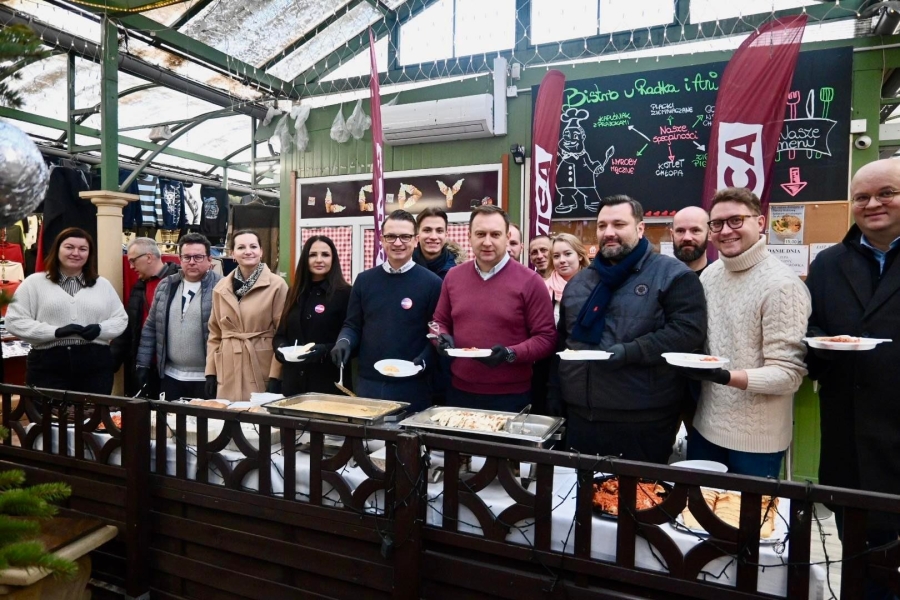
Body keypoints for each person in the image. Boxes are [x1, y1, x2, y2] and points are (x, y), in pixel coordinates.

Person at [806, 158, 900, 596]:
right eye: (861, 197)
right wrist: (821, 343)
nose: (872, 204)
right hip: (849, 444)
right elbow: (811, 326)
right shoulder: (829, 263)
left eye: (886, 193)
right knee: (860, 561)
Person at [553, 195, 706, 463]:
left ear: (640, 228)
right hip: (581, 417)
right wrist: (555, 401)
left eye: (619, 224)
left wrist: (631, 352)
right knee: (579, 488)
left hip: (643, 421)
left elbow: (687, 333)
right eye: (602, 226)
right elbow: (563, 346)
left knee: (637, 490)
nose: (609, 232)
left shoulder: (673, 275)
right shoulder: (579, 283)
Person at [682, 187, 810, 478]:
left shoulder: (782, 286)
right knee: (696, 507)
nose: (726, 230)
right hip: (705, 427)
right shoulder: (710, 275)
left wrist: (725, 376)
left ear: (760, 222)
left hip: (756, 443)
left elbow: (788, 375)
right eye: (717, 223)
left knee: (745, 510)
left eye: (736, 220)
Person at [432, 205, 556, 412]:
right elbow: (439, 322)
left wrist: (510, 353)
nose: (487, 242)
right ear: (469, 237)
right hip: (459, 391)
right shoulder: (453, 277)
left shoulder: (530, 281)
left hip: (511, 397)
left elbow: (546, 338)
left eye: (495, 234)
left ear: (507, 237)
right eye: (480, 234)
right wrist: (440, 338)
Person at [331, 210, 442, 410]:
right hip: (369, 383)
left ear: (415, 240)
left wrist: (423, 362)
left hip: (413, 385)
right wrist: (343, 341)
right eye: (391, 236)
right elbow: (352, 325)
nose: (398, 243)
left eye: (405, 236)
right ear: (381, 240)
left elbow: (435, 334)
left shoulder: (432, 283)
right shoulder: (364, 280)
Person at [6, 228, 128, 402]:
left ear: (89, 254)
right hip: (48, 365)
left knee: (91, 415)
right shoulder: (34, 283)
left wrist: (100, 329)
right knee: (47, 415)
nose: (76, 253)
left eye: (83, 249)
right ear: (57, 250)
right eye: (69, 247)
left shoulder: (102, 285)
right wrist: (54, 332)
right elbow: (14, 321)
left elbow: (120, 319)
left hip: (94, 366)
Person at [136, 233, 222, 400]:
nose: (192, 262)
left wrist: (215, 374)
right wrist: (143, 364)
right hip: (171, 377)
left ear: (209, 259)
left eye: (198, 257)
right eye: (187, 257)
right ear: (180, 259)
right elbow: (151, 328)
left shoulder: (222, 287)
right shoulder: (166, 285)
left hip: (207, 378)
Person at [205, 230, 288, 401]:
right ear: (232, 253)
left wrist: (276, 376)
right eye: (241, 247)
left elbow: (283, 333)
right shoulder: (221, 287)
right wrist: (211, 372)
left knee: (259, 415)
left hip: (261, 364)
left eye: (253, 246)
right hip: (228, 368)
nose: (248, 251)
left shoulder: (277, 285)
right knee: (227, 414)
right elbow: (215, 334)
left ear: (261, 251)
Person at [274, 235, 352, 396]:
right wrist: (281, 350)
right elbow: (280, 335)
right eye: (313, 255)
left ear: (333, 259)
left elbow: (352, 340)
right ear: (305, 259)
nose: (319, 260)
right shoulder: (294, 292)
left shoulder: (345, 293)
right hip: (294, 384)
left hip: (328, 384)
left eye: (325, 255)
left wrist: (323, 350)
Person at [112, 237, 180, 397]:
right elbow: (130, 328)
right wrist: (110, 363)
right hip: (145, 365)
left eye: (133, 261)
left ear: (149, 257)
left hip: (172, 369)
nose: (131, 266)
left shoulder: (179, 281)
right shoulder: (139, 287)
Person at [545, 233, 590, 324]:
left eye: (567, 254)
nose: (562, 260)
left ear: (580, 256)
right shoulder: (544, 288)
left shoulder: (593, 285)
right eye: (556, 256)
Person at [412, 207, 463, 279]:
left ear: (446, 235)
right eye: (427, 230)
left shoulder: (460, 270)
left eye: (439, 231)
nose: (433, 237)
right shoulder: (404, 267)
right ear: (417, 234)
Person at [670, 206, 712, 275]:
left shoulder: (720, 277)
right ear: (672, 235)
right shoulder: (659, 277)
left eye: (695, 230)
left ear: (709, 234)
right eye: (680, 231)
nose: (687, 238)